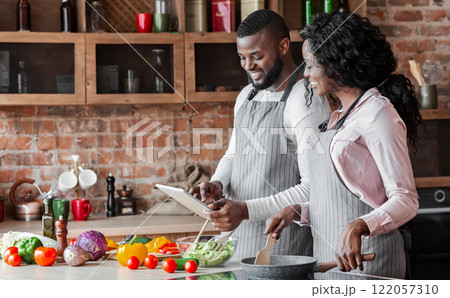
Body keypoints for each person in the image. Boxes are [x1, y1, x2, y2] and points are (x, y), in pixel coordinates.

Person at [265, 11, 422, 279]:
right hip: (330, 264)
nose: (306, 74)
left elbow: (406, 200)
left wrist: (362, 225)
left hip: (370, 262)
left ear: (336, 64)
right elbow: (342, 201)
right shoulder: (336, 118)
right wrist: (298, 211)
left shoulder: (377, 112)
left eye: (311, 65)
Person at [189, 10, 331, 259]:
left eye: (257, 56)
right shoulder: (247, 95)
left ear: (284, 46)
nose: (248, 66)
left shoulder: (304, 101)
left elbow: (315, 187)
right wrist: (217, 183)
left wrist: (245, 210)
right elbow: (234, 155)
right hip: (239, 243)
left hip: (283, 248)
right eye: (242, 57)